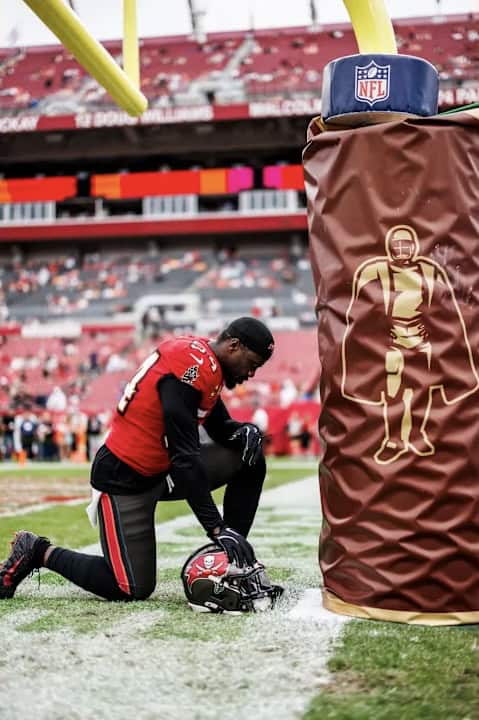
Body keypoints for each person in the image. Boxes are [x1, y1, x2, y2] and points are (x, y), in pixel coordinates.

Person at [0, 317, 274, 602]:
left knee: (249, 457)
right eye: (252, 363)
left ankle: (228, 562)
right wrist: (217, 528)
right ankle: (37, 551)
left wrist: (245, 430)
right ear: (234, 346)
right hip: (126, 478)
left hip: (161, 470)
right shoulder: (192, 367)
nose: (251, 373)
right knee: (131, 587)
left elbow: (218, 427)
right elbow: (185, 459)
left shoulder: (204, 363)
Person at [342, 224, 479, 464]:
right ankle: (393, 440)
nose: (403, 250)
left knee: (422, 392)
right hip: (391, 344)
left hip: (422, 341)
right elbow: (359, 312)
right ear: (390, 247)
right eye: (398, 245)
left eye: (407, 244)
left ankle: (417, 435)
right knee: (393, 394)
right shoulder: (375, 271)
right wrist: (381, 335)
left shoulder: (428, 269)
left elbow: (445, 308)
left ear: (414, 246)